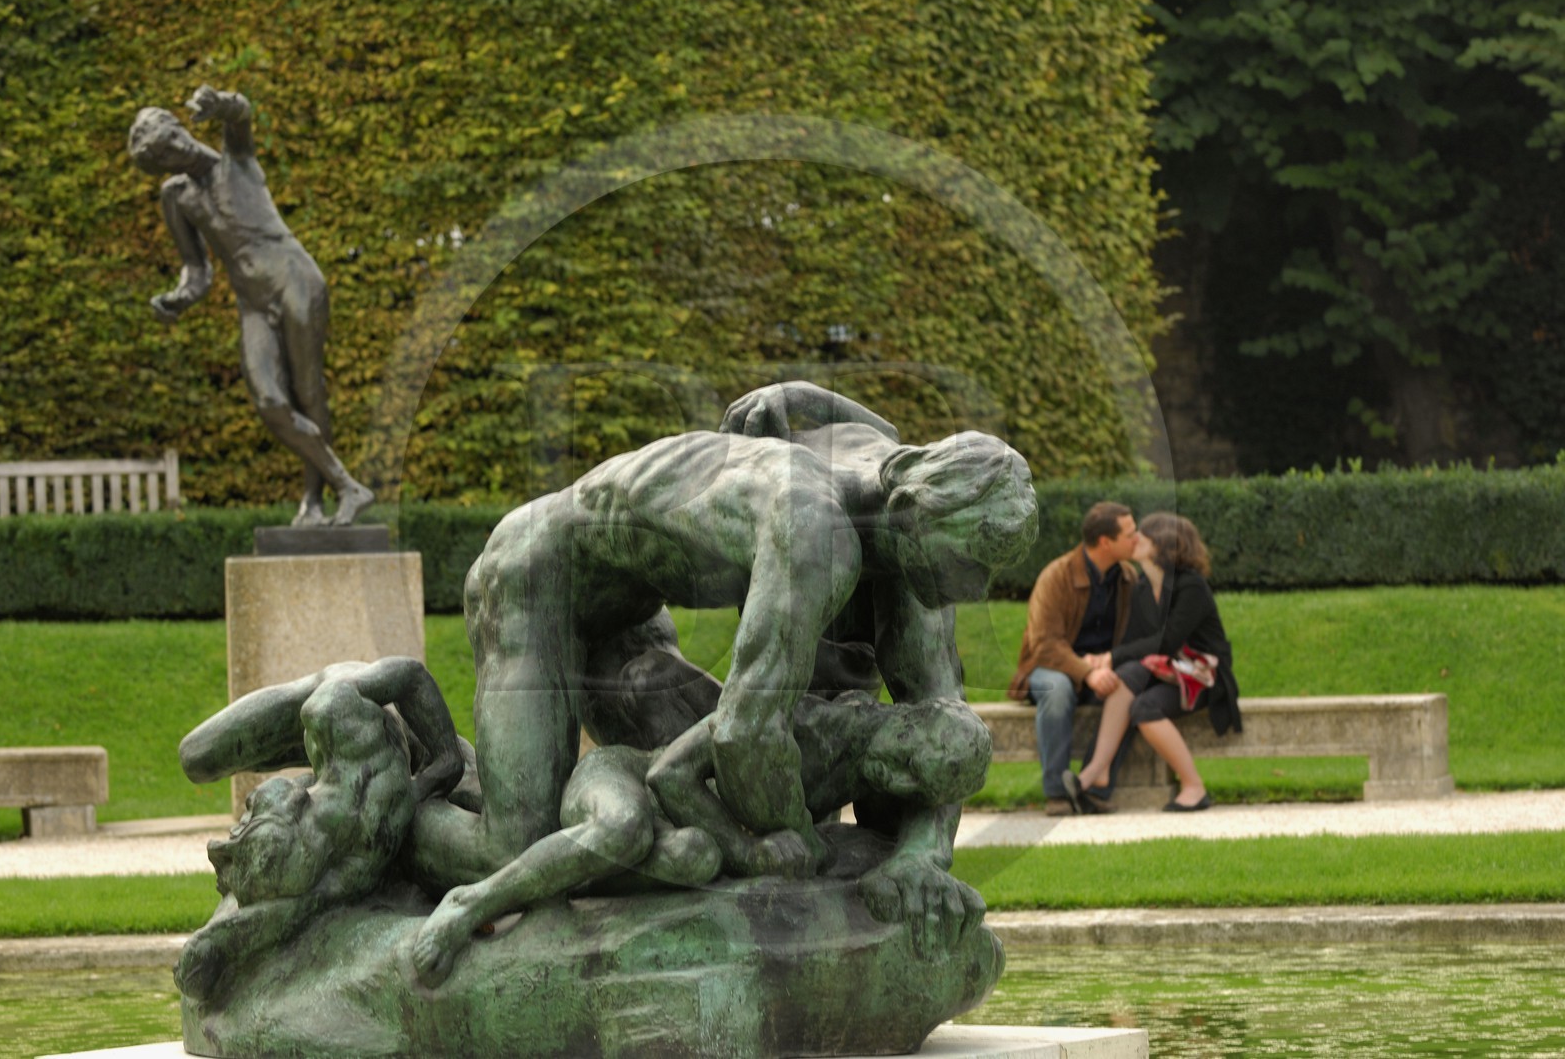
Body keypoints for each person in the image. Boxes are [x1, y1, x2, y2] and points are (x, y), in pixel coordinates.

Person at [443, 381, 1037, 937]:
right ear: (912, 511)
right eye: (972, 561)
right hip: (534, 579)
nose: (977, 587)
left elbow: (943, 720)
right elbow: (745, 732)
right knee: (515, 845)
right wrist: (793, 844)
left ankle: (543, 807)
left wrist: (921, 856)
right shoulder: (814, 528)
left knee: (674, 810)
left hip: (635, 624)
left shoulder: (909, 515)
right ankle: (419, 793)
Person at [410, 691, 993, 987]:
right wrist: (749, 852)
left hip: (685, 834)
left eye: (916, 787)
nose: (898, 786)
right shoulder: (796, 720)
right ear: (907, 724)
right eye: (909, 767)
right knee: (624, 829)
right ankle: (470, 902)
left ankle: (528, 865)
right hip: (626, 779)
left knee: (695, 856)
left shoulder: (869, 760)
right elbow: (668, 774)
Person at [129, 86, 373, 526]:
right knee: (269, 401)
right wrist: (178, 298)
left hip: (294, 280)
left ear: (180, 127)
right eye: (164, 155)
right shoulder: (176, 198)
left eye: (173, 138)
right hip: (253, 305)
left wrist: (221, 103)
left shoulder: (235, 160)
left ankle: (315, 502)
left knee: (308, 390)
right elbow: (197, 271)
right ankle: (347, 486)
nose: (176, 151)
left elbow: (241, 115)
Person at [172, 657, 466, 999]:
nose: (250, 800)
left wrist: (447, 760)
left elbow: (409, 674)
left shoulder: (328, 708)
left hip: (337, 712)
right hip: (356, 741)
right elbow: (300, 905)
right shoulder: (360, 853)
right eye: (254, 808)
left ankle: (428, 745)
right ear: (296, 802)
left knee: (196, 754)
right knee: (196, 757)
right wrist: (444, 763)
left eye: (250, 806)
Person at [1068, 512, 1242, 812]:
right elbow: (1133, 644)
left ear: (1162, 546)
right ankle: (1098, 769)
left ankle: (1194, 788)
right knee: (1126, 679)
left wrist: (1112, 657)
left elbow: (1167, 642)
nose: (1134, 540)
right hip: (1167, 675)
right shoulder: (1144, 589)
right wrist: (1105, 663)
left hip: (1203, 677)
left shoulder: (1191, 586)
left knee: (1142, 703)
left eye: (1142, 537)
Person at [1006, 502, 1139, 815]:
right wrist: (1086, 671)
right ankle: (1057, 795)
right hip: (1047, 668)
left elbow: (1136, 637)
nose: (1138, 538)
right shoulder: (1056, 576)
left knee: (1132, 687)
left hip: (1102, 668)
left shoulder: (1129, 578)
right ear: (1106, 542)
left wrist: (1107, 662)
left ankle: (1091, 786)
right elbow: (1044, 644)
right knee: (1058, 689)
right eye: (1131, 533)